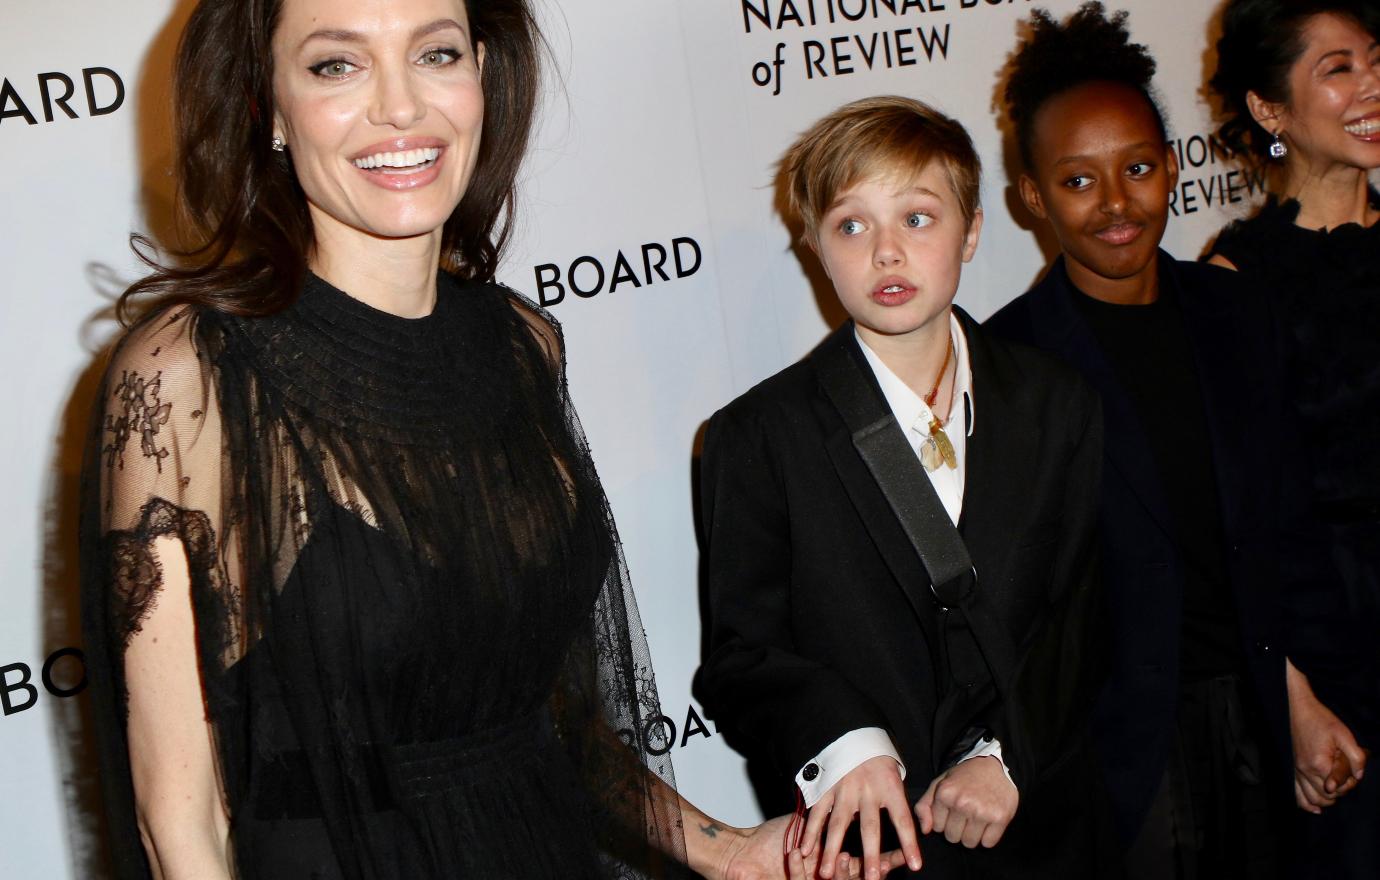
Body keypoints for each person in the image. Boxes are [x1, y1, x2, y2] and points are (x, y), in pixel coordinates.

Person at [79, 1, 841, 877]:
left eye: (435, 54)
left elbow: (552, 719)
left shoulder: (522, 343)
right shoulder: (193, 376)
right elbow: (178, 822)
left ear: (482, 72)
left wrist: (730, 850)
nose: (401, 107)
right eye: (337, 65)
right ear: (266, 106)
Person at [984, 5, 1364, 876]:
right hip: (1119, 759)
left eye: (1140, 168)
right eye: (1079, 181)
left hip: (1267, 731)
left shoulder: (1234, 310)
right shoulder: (1010, 364)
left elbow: (1287, 529)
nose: (1117, 203)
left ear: (1172, 169)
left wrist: (1310, 698)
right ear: (1033, 196)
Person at [695, 95, 1115, 880]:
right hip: (874, 852)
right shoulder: (757, 436)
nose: (887, 253)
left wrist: (1006, 758)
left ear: (973, 229)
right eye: (852, 226)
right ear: (816, 246)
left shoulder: (1059, 404)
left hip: (1049, 833)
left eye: (918, 218)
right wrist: (844, 742)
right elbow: (742, 657)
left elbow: (1083, 616)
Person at [1205, 0, 1380, 875]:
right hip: (1345, 652)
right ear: (1270, 111)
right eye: (1339, 67)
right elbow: (1239, 522)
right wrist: (1295, 702)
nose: (1373, 85)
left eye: (1378, 60)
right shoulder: (1237, 283)